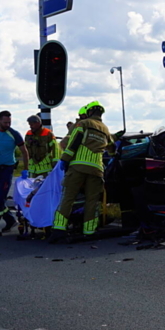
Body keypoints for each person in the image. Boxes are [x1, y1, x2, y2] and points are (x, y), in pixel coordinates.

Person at [49, 101, 113, 242]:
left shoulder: (83, 124)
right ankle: (89, 231)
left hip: (78, 167)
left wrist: (65, 159)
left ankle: (59, 230)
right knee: (92, 201)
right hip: (97, 170)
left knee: (68, 198)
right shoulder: (105, 129)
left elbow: (74, 142)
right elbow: (112, 148)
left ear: (89, 112)